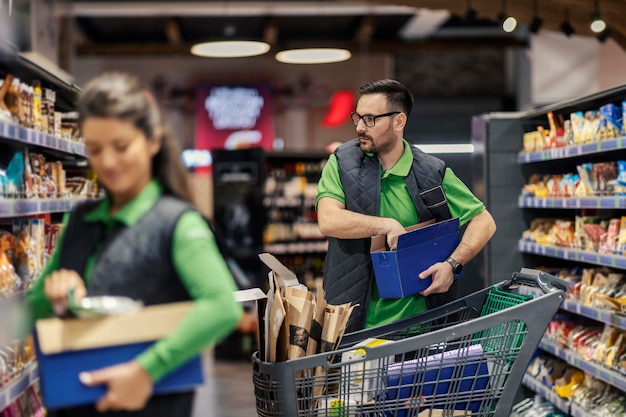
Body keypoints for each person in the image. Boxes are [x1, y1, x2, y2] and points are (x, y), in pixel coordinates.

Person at [26, 72, 243, 416]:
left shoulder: (177, 223)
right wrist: (55, 294)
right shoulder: (81, 220)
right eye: (95, 150)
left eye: (121, 146)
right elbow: (34, 312)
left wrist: (146, 371)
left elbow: (222, 307)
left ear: (152, 142)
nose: (108, 162)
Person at [316, 79, 496, 333]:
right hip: (355, 328)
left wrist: (453, 264)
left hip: (421, 328)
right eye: (357, 118)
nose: (359, 127)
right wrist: (386, 225)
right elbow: (328, 220)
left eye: (370, 119)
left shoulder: (432, 173)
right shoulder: (341, 164)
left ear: (398, 121)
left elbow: (484, 221)